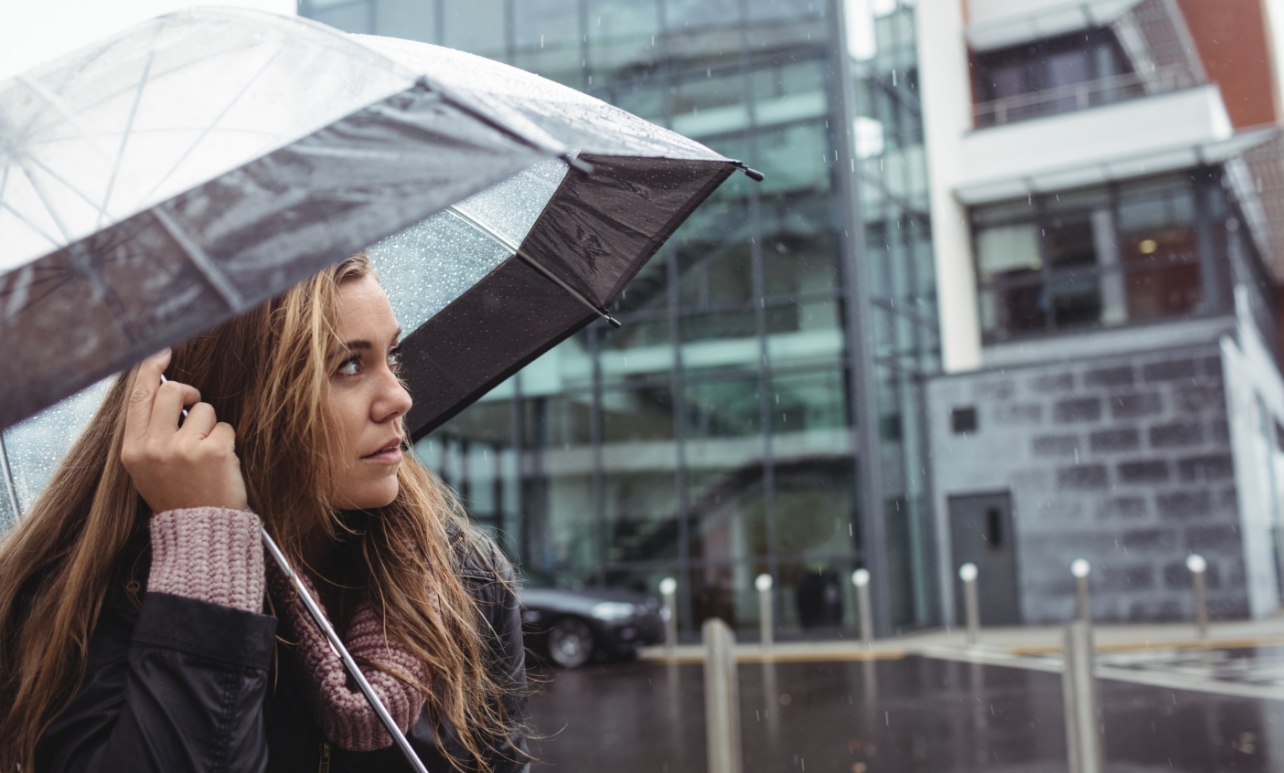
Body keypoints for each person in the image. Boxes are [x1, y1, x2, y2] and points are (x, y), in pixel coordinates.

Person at [0, 254, 529, 773]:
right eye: (348, 365)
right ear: (224, 406)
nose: (399, 398)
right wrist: (204, 559)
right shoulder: (86, 605)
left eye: (392, 357)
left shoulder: (465, 576)